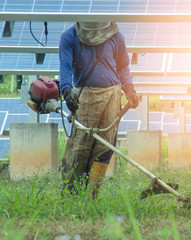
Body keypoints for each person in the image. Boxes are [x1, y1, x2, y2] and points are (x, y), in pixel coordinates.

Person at [59, 21, 139, 199]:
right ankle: (71, 195)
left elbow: (123, 67)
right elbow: (65, 67)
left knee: (105, 145)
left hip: (113, 95)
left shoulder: (116, 36)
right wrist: (66, 91)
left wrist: (130, 89)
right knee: (80, 147)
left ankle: (92, 196)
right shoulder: (69, 37)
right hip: (85, 96)